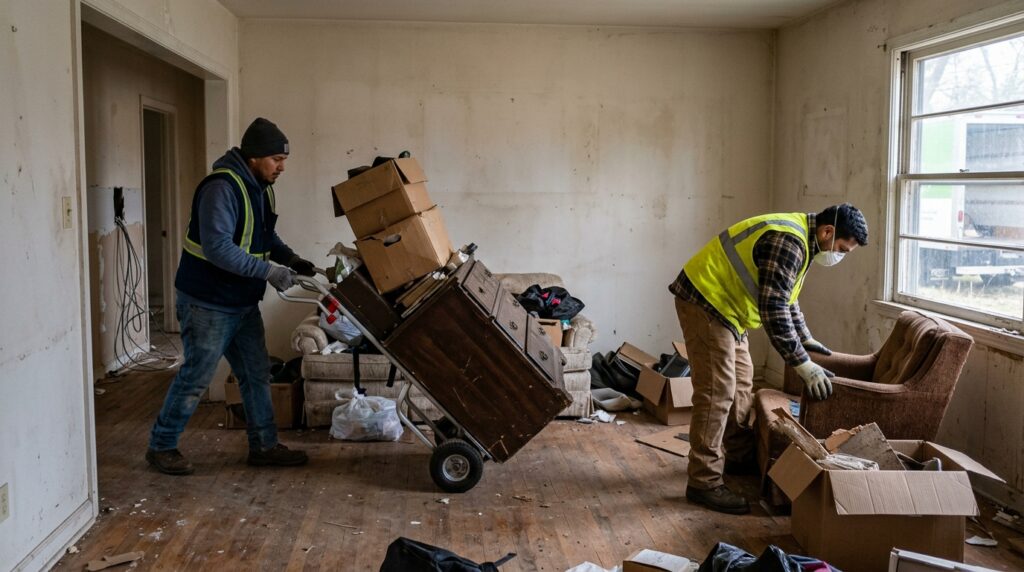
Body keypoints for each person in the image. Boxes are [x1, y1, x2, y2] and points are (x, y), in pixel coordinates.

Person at [669, 203, 868, 514]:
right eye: (842, 248)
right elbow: (773, 310)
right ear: (828, 232)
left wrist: (804, 337)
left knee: (742, 385)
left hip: (730, 310)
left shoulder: (805, 239)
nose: (839, 256)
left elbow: (788, 297)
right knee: (717, 393)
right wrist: (802, 363)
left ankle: (736, 456)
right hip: (706, 301)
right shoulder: (788, 241)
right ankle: (703, 482)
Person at [146, 117, 317, 475]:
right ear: (253, 157)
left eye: (283, 160)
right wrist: (270, 271)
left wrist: (290, 258)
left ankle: (265, 446)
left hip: (241, 302)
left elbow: (265, 235)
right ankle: (161, 447)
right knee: (196, 376)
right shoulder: (221, 189)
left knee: (256, 375)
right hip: (207, 302)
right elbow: (219, 248)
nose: (281, 167)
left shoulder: (261, 186)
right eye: (275, 159)